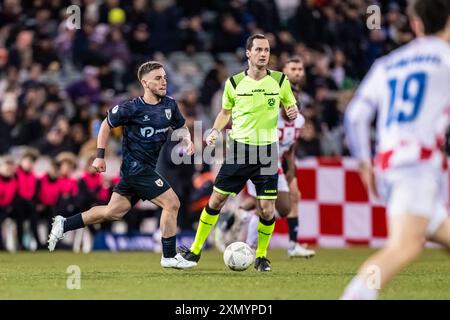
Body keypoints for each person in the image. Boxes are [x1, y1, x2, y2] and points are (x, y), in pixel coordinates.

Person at [342, 0, 450, 299]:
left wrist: (364, 163)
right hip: (417, 166)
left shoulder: (387, 64)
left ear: (415, 23)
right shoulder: (445, 59)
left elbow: (355, 116)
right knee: (404, 247)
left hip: (389, 164)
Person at [48, 61, 196, 269]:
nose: (164, 81)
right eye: (158, 78)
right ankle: (169, 256)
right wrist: (99, 156)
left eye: (164, 77)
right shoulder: (131, 108)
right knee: (172, 203)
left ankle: (64, 223)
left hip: (143, 170)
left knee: (113, 212)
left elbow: (181, 126)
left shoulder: (170, 105)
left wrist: (188, 140)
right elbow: (105, 125)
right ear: (145, 83)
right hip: (136, 169)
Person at [179, 34, 298, 272]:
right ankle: (194, 251)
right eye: (259, 50)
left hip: (266, 151)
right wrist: (214, 130)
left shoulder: (280, 80)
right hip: (239, 150)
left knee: (266, 208)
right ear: (248, 53)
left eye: (267, 50)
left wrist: (292, 109)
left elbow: (289, 105)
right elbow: (225, 113)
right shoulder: (233, 83)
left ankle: (261, 257)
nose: (264, 54)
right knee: (216, 200)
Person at [241, 57, 316, 258]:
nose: (292, 110)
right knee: (266, 206)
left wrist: (291, 168)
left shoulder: (299, 121)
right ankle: (251, 248)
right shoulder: (270, 115)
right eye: (289, 106)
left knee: (283, 208)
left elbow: (291, 147)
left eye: (295, 106)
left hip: (278, 164)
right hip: (260, 160)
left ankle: (244, 215)